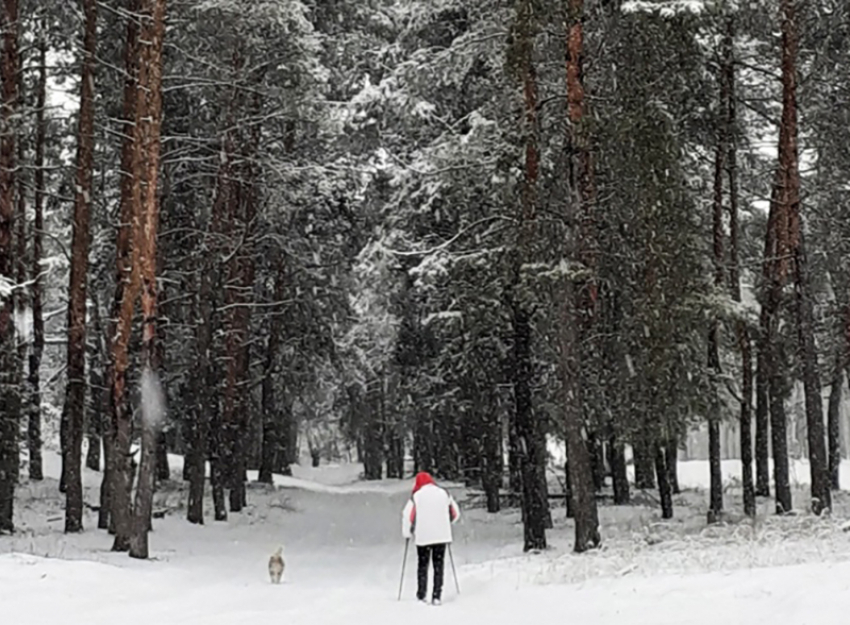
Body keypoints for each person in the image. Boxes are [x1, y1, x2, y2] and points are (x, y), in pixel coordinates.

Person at [401, 472, 461, 605]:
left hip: (423, 536)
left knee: (423, 565)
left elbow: (407, 516)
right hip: (441, 535)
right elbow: (455, 513)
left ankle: (421, 594)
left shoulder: (416, 496)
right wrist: (446, 522)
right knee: (438, 565)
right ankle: (437, 595)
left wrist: (407, 533)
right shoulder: (444, 494)